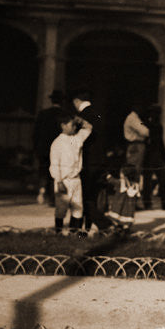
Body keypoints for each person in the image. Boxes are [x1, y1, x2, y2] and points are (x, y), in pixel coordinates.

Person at [72, 89, 109, 234]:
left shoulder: (79, 117)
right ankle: (88, 226)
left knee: (84, 197)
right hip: (100, 160)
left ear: (76, 101)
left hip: (86, 161)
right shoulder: (99, 113)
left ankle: (101, 224)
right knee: (93, 195)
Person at [48, 113, 92, 234]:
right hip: (64, 180)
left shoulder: (76, 139)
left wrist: (81, 121)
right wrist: (59, 181)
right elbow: (55, 164)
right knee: (61, 209)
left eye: (74, 125)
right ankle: (58, 233)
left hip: (76, 179)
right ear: (63, 125)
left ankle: (74, 233)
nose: (74, 127)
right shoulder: (57, 143)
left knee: (78, 208)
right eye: (72, 125)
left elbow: (88, 128)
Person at [33, 89, 65, 204]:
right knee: (56, 172)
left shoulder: (43, 114)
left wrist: (36, 148)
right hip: (59, 149)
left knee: (43, 171)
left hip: (44, 149)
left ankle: (42, 191)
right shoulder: (64, 114)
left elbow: (36, 133)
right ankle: (53, 196)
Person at [141, 104, 165, 209]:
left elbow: (160, 141)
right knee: (152, 180)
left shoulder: (154, 125)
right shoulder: (147, 125)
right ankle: (151, 203)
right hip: (150, 155)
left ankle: (158, 203)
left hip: (154, 154)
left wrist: (163, 154)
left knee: (160, 180)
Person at [105, 164, 141, 230]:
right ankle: (125, 230)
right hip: (129, 210)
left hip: (118, 207)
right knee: (126, 223)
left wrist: (107, 174)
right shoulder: (136, 185)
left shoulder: (121, 182)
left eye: (121, 172)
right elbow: (137, 197)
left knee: (116, 220)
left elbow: (111, 180)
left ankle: (116, 231)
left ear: (124, 174)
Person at [122, 105, 150, 175]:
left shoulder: (135, 117)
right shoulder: (132, 118)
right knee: (134, 169)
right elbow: (145, 132)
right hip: (136, 145)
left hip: (136, 144)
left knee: (136, 168)